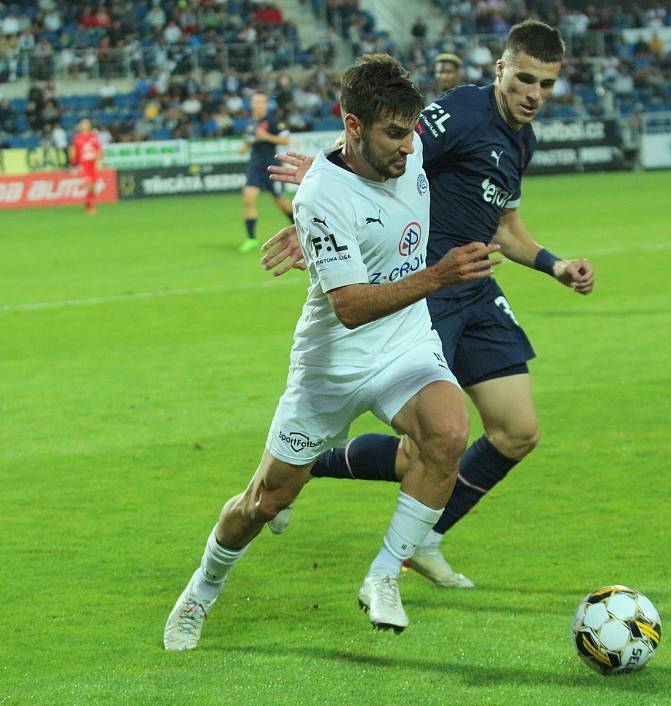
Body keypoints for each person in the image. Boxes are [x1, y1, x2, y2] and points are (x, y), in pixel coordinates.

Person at [163, 54, 501, 650]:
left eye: (410, 130)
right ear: (353, 125)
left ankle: (382, 574)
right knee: (264, 501)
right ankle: (200, 592)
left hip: (403, 340)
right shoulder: (320, 197)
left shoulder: (405, 146)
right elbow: (347, 307)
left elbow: (385, 158)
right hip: (333, 361)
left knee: (448, 434)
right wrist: (439, 276)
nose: (407, 147)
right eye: (394, 134)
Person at [264, 21, 595, 588]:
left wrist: (555, 265)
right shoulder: (462, 113)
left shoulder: (523, 140)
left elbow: (505, 225)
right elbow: (379, 148)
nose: (533, 94)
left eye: (545, 84)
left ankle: (426, 539)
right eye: (524, 78)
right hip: (425, 286)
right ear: (500, 70)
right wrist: (317, 212)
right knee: (429, 447)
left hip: (477, 287)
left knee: (517, 431)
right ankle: (308, 458)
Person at [238, 92, 293, 253]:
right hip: (255, 166)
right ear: (252, 104)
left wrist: (266, 136)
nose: (259, 104)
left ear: (266, 104)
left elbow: (285, 140)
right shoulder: (250, 123)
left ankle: (298, 227)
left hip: (272, 166)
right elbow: (251, 139)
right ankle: (251, 239)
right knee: (248, 199)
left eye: (262, 102)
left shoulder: (273, 121)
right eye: (257, 102)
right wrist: (245, 146)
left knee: (280, 201)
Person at [70, 118, 102, 215]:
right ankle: (89, 207)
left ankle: (89, 205)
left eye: (86, 124)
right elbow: (74, 153)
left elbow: (98, 150)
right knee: (90, 185)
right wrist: (73, 164)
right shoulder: (77, 138)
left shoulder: (93, 136)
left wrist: (98, 160)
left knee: (93, 186)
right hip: (83, 164)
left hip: (92, 164)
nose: (85, 125)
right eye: (83, 124)